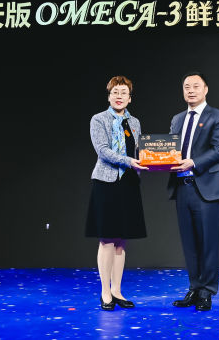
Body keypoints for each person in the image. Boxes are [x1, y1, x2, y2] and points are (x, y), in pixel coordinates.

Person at [168, 72, 219, 312]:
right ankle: (194, 288)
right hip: (181, 187)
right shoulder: (177, 119)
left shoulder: (218, 117)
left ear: (205, 90)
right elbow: (169, 149)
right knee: (189, 243)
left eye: (196, 86)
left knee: (208, 243)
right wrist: (156, 160)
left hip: (206, 188)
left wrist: (193, 162)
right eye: (186, 87)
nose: (191, 90)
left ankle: (207, 291)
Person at [85, 76, 147, 310]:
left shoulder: (135, 122)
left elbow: (140, 150)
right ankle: (105, 293)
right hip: (106, 182)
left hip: (129, 183)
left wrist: (157, 160)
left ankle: (117, 290)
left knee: (121, 241)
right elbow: (102, 150)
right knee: (107, 239)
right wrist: (130, 161)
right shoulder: (98, 119)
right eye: (115, 92)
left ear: (130, 98)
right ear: (109, 96)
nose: (119, 96)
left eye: (123, 93)